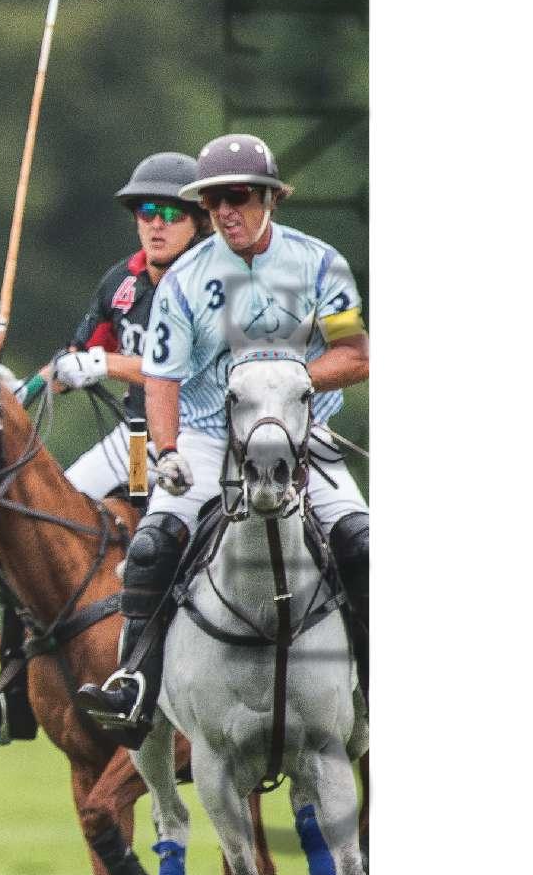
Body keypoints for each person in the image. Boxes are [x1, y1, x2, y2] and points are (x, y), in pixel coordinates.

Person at [75, 134, 369, 742]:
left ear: (271, 198)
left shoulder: (321, 264)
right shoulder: (183, 280)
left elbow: (356, 355)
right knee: (152, 545)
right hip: (209, 437)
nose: (225, 212)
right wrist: (166, 451)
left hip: (301, 435)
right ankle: (134, 685)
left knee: (363, 545)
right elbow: (162, 377)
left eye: (238, 197)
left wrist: (288, 380)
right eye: (213, 202)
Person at [0, 151, 209, 744]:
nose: (155, 223)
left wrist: (107, 364)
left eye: (170, 212)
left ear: (199, 220)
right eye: (145, 211)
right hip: (133, 440)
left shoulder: (213, 285)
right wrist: (21, 393)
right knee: (29, 528)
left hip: (201, 440)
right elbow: (72, 358)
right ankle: (11, 694)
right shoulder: (121, 283)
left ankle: (180, 687)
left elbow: (184, 367)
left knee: (164, 551)